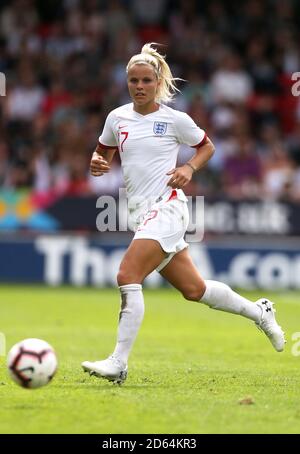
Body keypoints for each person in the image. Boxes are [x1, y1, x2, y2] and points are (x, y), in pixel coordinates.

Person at [82, 43, 285, 384]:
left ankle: (119, 362)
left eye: (146, 80)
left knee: (127, 274)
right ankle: (260, 312)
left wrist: (189, 168)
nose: (140, 86)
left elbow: (207, 146)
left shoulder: (174, 119)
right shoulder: (116, 118)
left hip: (168, 208)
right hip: (141, 214)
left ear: (157, 81)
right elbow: (102, 152)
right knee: (194, 290)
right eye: (134, 80)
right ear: (127, 82)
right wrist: (97, 162)